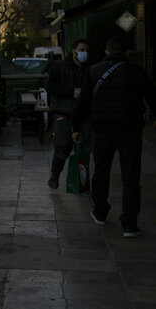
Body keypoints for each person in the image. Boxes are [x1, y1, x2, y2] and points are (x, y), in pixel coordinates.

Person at [72, 36, 156, 238]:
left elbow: (82, 103)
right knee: (131, 177)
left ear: (106, 51)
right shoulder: (138, 72)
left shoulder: (94, 72)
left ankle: (100, 211)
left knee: (101, 171)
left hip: (102, 130)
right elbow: (152, 98)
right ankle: (129, 223)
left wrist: (76, 128)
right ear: (126, 53)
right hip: (130, 130)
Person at [45, 38, 91, 189]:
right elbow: (51, 87)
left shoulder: (88, 70)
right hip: (64, 111)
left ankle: (82, 181)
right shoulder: (60, 67)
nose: (85, 53)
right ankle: (55, 175)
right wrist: (71, 92)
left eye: (86, 50)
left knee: (85, 146)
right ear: (74, 51)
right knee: (62, 146)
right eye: (82, 50)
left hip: (82, 113)